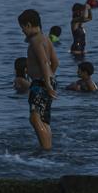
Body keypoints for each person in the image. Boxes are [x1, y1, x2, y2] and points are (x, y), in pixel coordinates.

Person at [19, 9, 59, 150]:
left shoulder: (36, 41)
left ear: (28, 25)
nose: (22, 31)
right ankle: (48, 148)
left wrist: (46, 83)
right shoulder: (45, 38)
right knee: (44, 119)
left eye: (22, 28)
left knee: (34, 118)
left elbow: (43, 62)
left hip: (41, 83)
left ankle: (46, 149)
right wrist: (50, 77)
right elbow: (55, 62)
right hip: (48, 80)